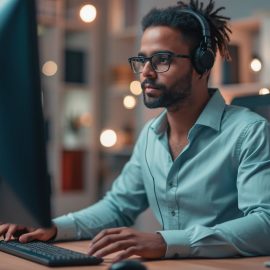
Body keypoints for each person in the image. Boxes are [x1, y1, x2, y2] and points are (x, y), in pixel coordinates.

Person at [1, 0, 270, 262]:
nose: (146, 72)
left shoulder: (250, 133)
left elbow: (265, 225)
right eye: (142, 60)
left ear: (202, 64)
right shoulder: (150, 135)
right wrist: (53, 227)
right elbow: (117, 207)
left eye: (162, 59)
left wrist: (165, 242)